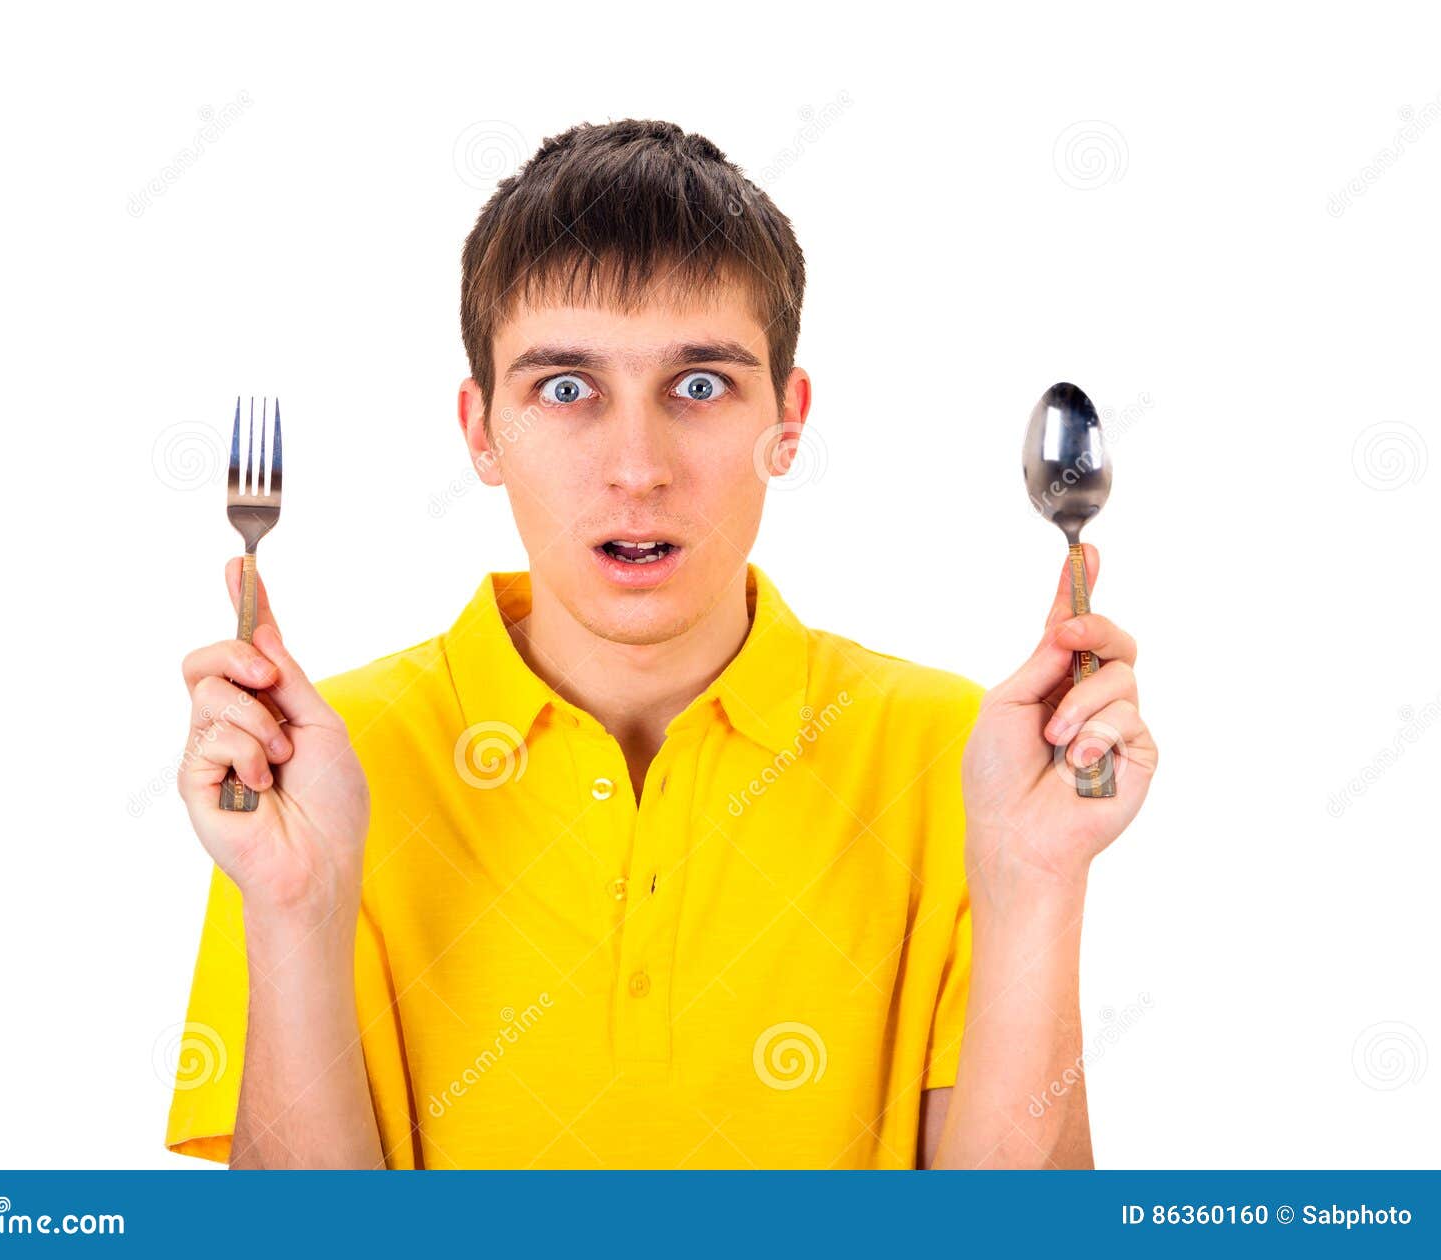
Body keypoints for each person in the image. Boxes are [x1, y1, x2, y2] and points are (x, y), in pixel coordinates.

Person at [166, 119, 1157, 1169]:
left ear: (787, 415)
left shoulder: (961, 752)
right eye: (564, 388)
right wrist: (291, 911)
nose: (636, 467)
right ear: (479, 430)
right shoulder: (317, 764)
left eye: (697, 386)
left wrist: (1035, 884)